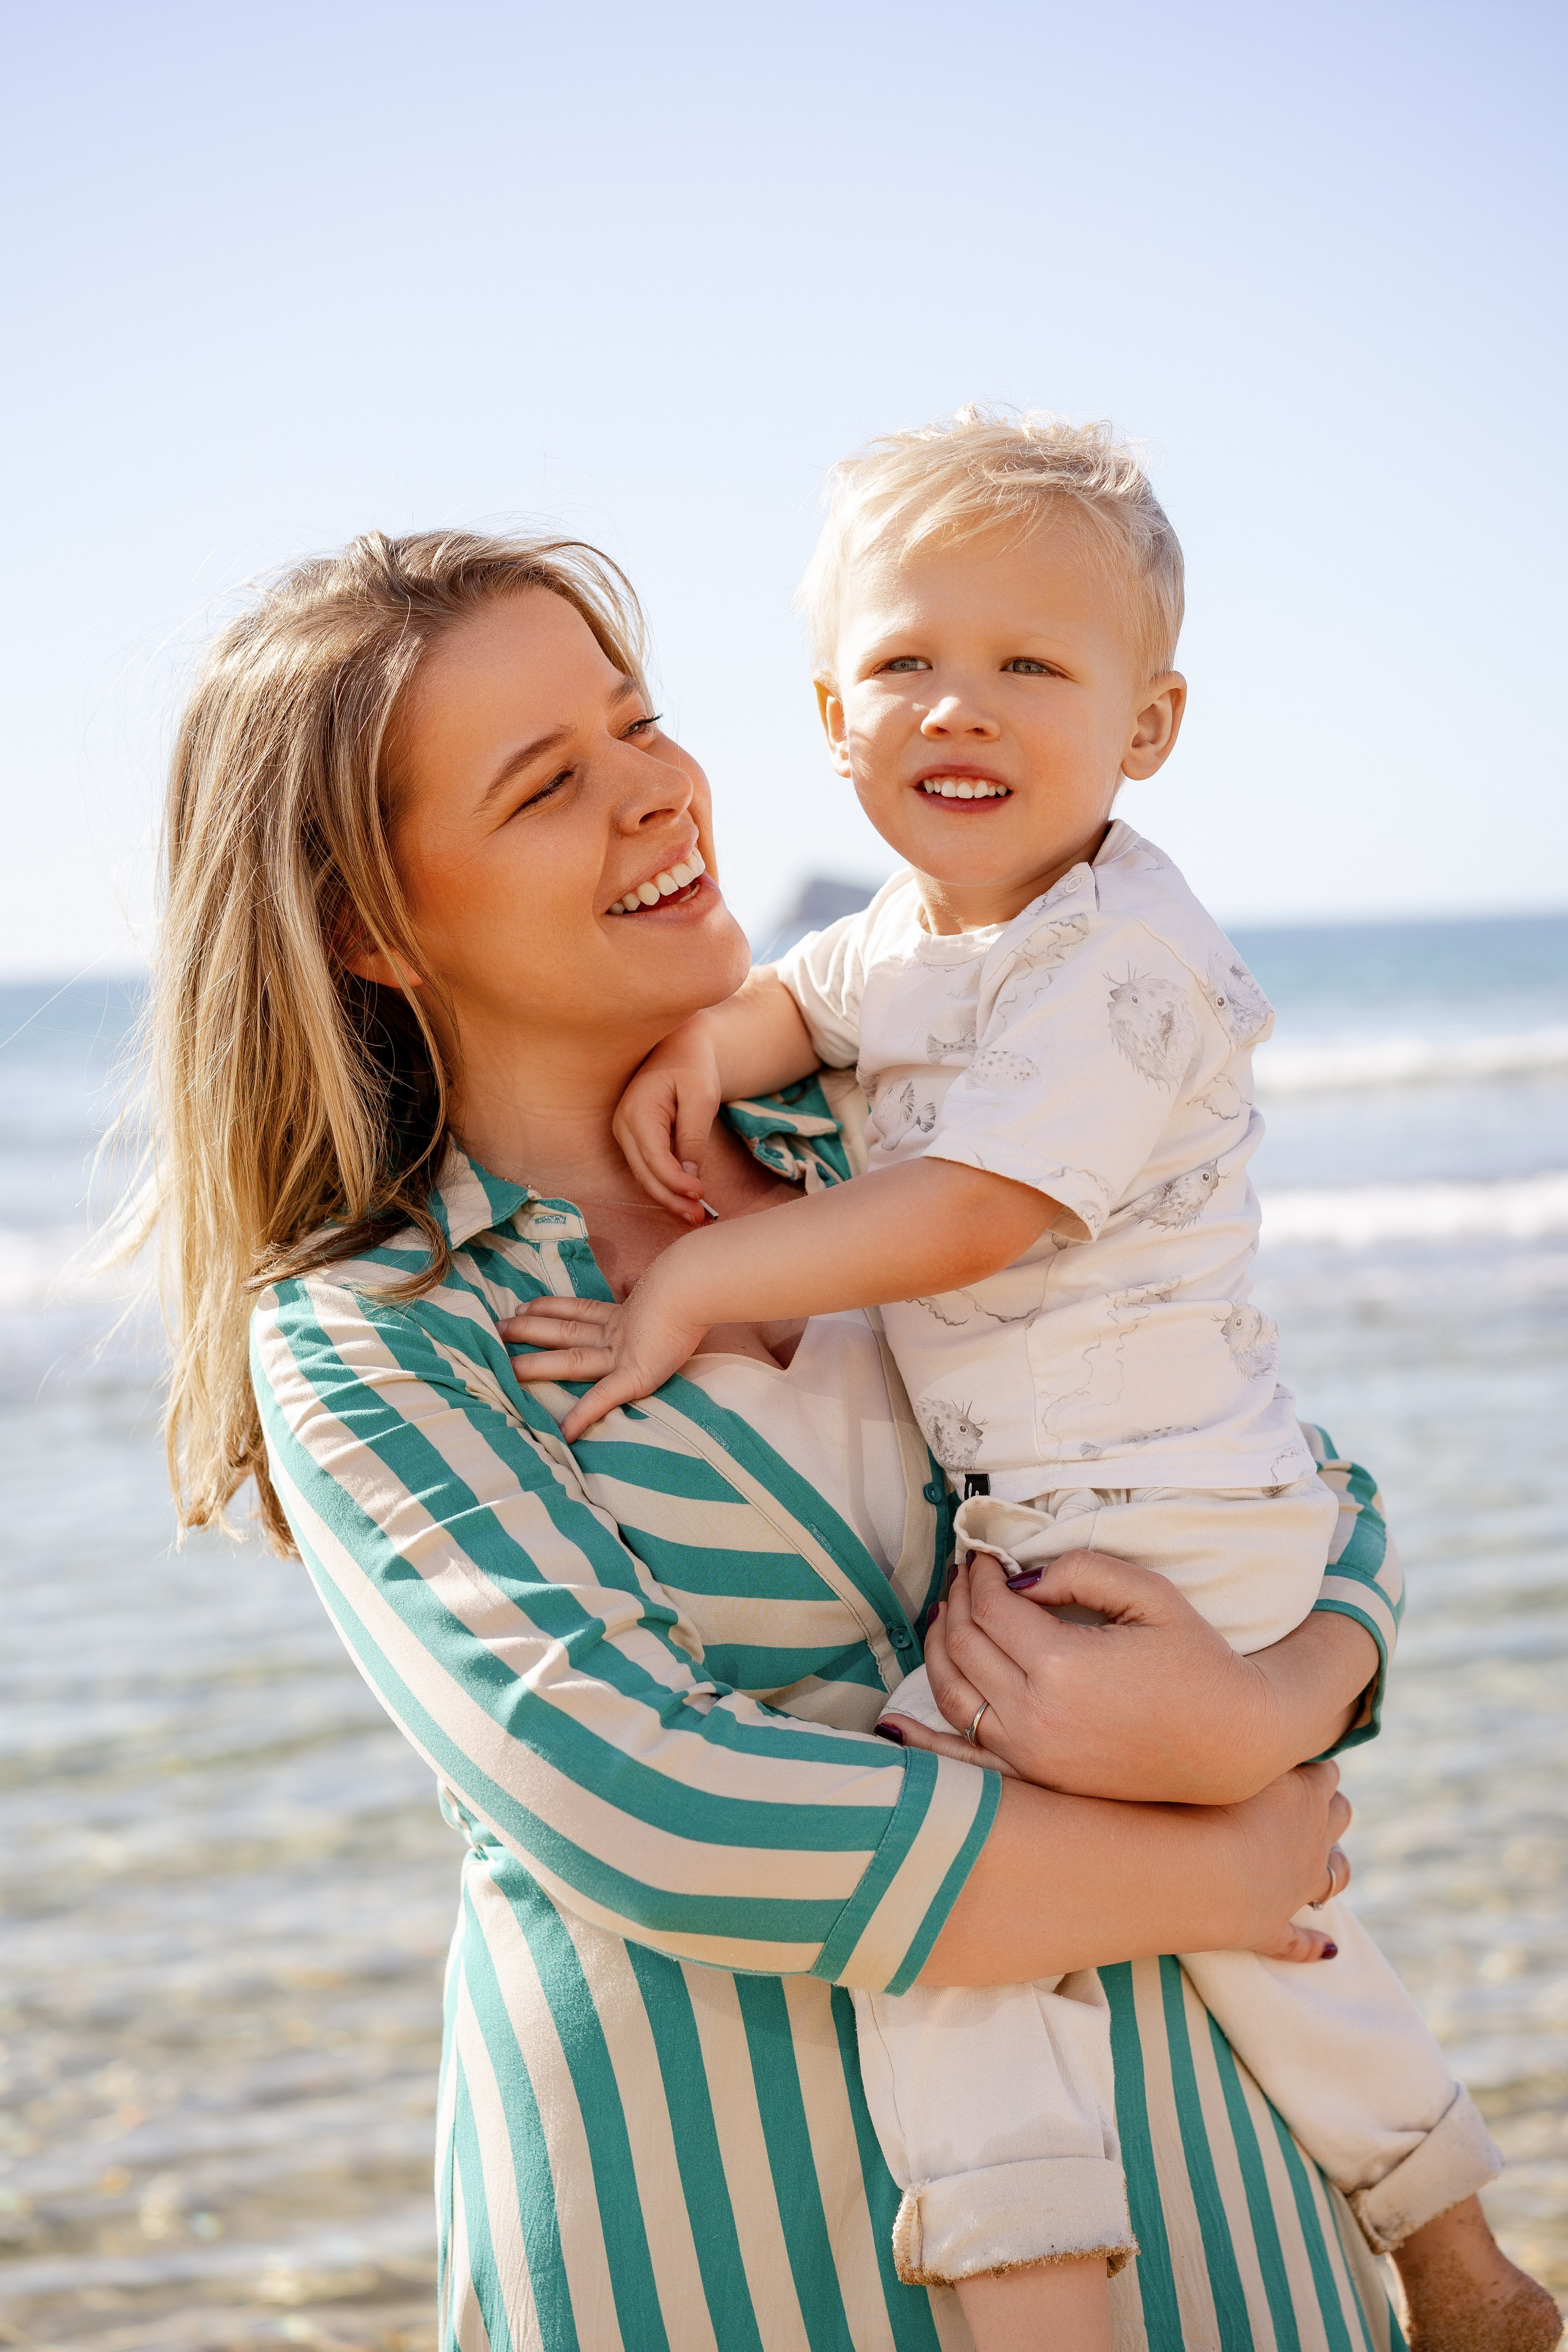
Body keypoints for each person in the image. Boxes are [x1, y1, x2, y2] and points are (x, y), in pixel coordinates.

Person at [144, 524, 1539, 2352]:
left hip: (1220, 2194)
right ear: (371, 926)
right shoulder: (377, 1332)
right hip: (740, 2232)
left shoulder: (906, 1110)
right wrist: (1218, 1862)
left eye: (637, 722)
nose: (654, 792)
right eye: (552, 783)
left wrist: (1271, 1714)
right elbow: (647, 1799)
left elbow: (1283, 1467)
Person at [514, 413, 1556, 2352]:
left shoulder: (1126, 961)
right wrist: (707, 1053)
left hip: (1170, 1514)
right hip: (1118, 1507)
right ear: (833, 710)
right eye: (907, 660)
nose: (957, 705)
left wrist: (713, 1271)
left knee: (958, 1906)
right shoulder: (910, 939)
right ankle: (1451, 2249)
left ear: (1146, 728)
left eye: (1030, 665)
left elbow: (980, 1209)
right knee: (1247, 1919)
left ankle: (1041, 2304)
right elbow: (801, 1005)